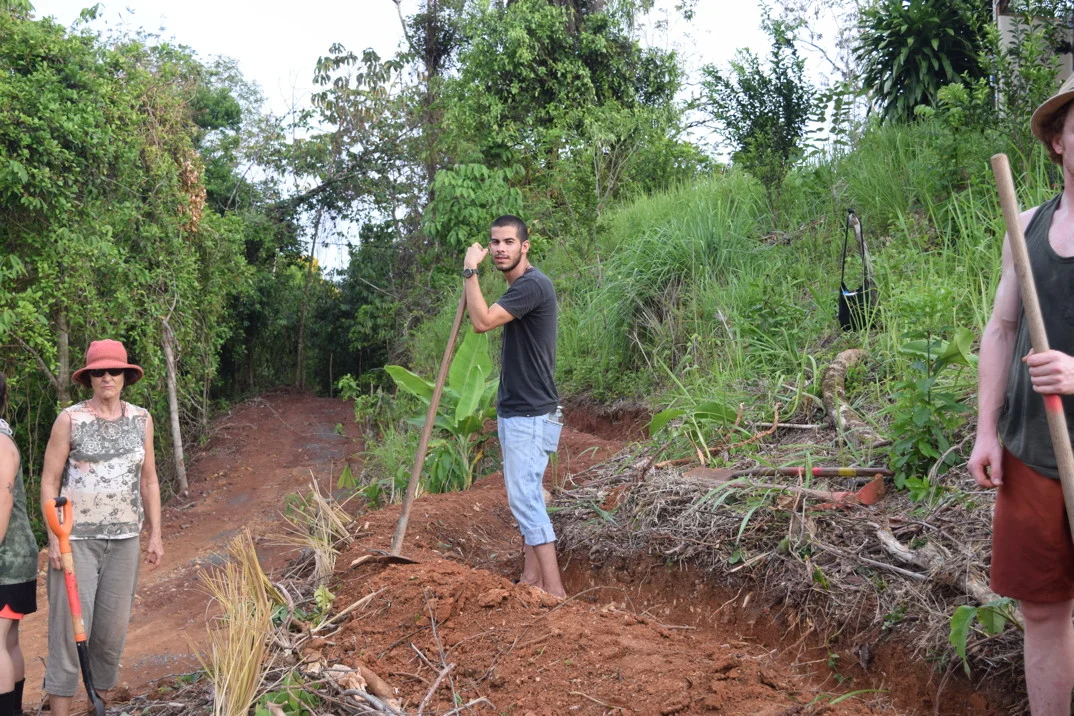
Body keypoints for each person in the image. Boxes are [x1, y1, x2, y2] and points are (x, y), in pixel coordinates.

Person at [968, 72, 1074, 716]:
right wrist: (987, 429)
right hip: (1034, 451)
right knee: (1042, 609)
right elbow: (1003, 327)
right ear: (1059, 142)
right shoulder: (1027, 226)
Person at [40, 340, 163, 716]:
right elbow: (49, 480)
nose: (106, 377)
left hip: (125, 541)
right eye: (98, 371)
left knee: (110, 634)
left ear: (126, 375)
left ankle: (99, 706)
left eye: (113, 371)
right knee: (68, 634)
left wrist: (155, 533)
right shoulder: (71, 419)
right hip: (75, 542)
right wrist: (53, 537)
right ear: (89, 377)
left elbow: (150, 481)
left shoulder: (142, 419)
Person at [463, 215, 566, 598]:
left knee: (524, 497)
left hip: (529, 412)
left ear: (525, 246)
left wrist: (469, 271)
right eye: (495, 243)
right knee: (532, 493)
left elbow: (482, 321)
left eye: (509, 242)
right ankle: (532, 580)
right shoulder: (522, 287)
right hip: (522, 410)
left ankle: (554, 592)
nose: (500, 248)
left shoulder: (532, 285)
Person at [0, 372, 37, 716]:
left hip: (6, 561)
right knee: (7, 641)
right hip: (16, 558)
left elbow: (2, 503)